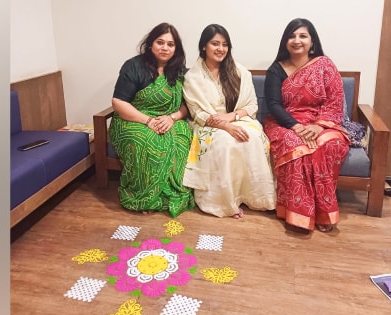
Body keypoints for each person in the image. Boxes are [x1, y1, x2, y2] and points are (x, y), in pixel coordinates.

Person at [263, 18, 350, 232]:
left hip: (322, 122)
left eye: (302, 36)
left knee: (328, 146)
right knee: (296, 146)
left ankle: (323, 213)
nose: (296, 40)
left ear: (312, 41)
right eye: (292, 36)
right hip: (285, 123)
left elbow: (335, 101)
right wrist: (295, 126)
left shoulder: (324, 65)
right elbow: (273, 105)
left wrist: (319, 126)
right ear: (285, 41)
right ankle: (298, 214)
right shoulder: (276, 70)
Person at [182, 24, 276, 219]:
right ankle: (225, 202)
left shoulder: (240, 72)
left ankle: (255, 197)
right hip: (208, 125)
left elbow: (251, 106)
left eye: (225, 44)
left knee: (252, 138)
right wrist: (224, 125)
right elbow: (197, 113)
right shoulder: (192, 77)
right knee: (225, 143)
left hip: (238, 118)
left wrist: (231, 118)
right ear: (203, 47)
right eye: (215, 43)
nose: (220, 49)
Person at [108, 22, 195, 218]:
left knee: (181, 138)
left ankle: (168, 195)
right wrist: (148, 121)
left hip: (169, 118)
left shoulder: (180, 71)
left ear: (176, 48)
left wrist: (172, 118)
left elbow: (187, 104)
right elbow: (119, 101)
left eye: (170, 44)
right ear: (150, 44)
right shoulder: (133, 66)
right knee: (145, 142)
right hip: (133, 119)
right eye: (160, 42)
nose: (165, 48)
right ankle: (142, 197)